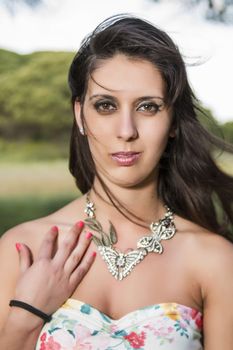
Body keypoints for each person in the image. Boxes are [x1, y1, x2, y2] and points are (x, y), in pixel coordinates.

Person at [0, 14, 233, 350]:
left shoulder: (214, 261)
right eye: (106, 106)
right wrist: (26, 316)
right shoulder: (22, 250)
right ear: (80, 115)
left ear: (173, 122)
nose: (126, 131)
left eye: (148, 107)